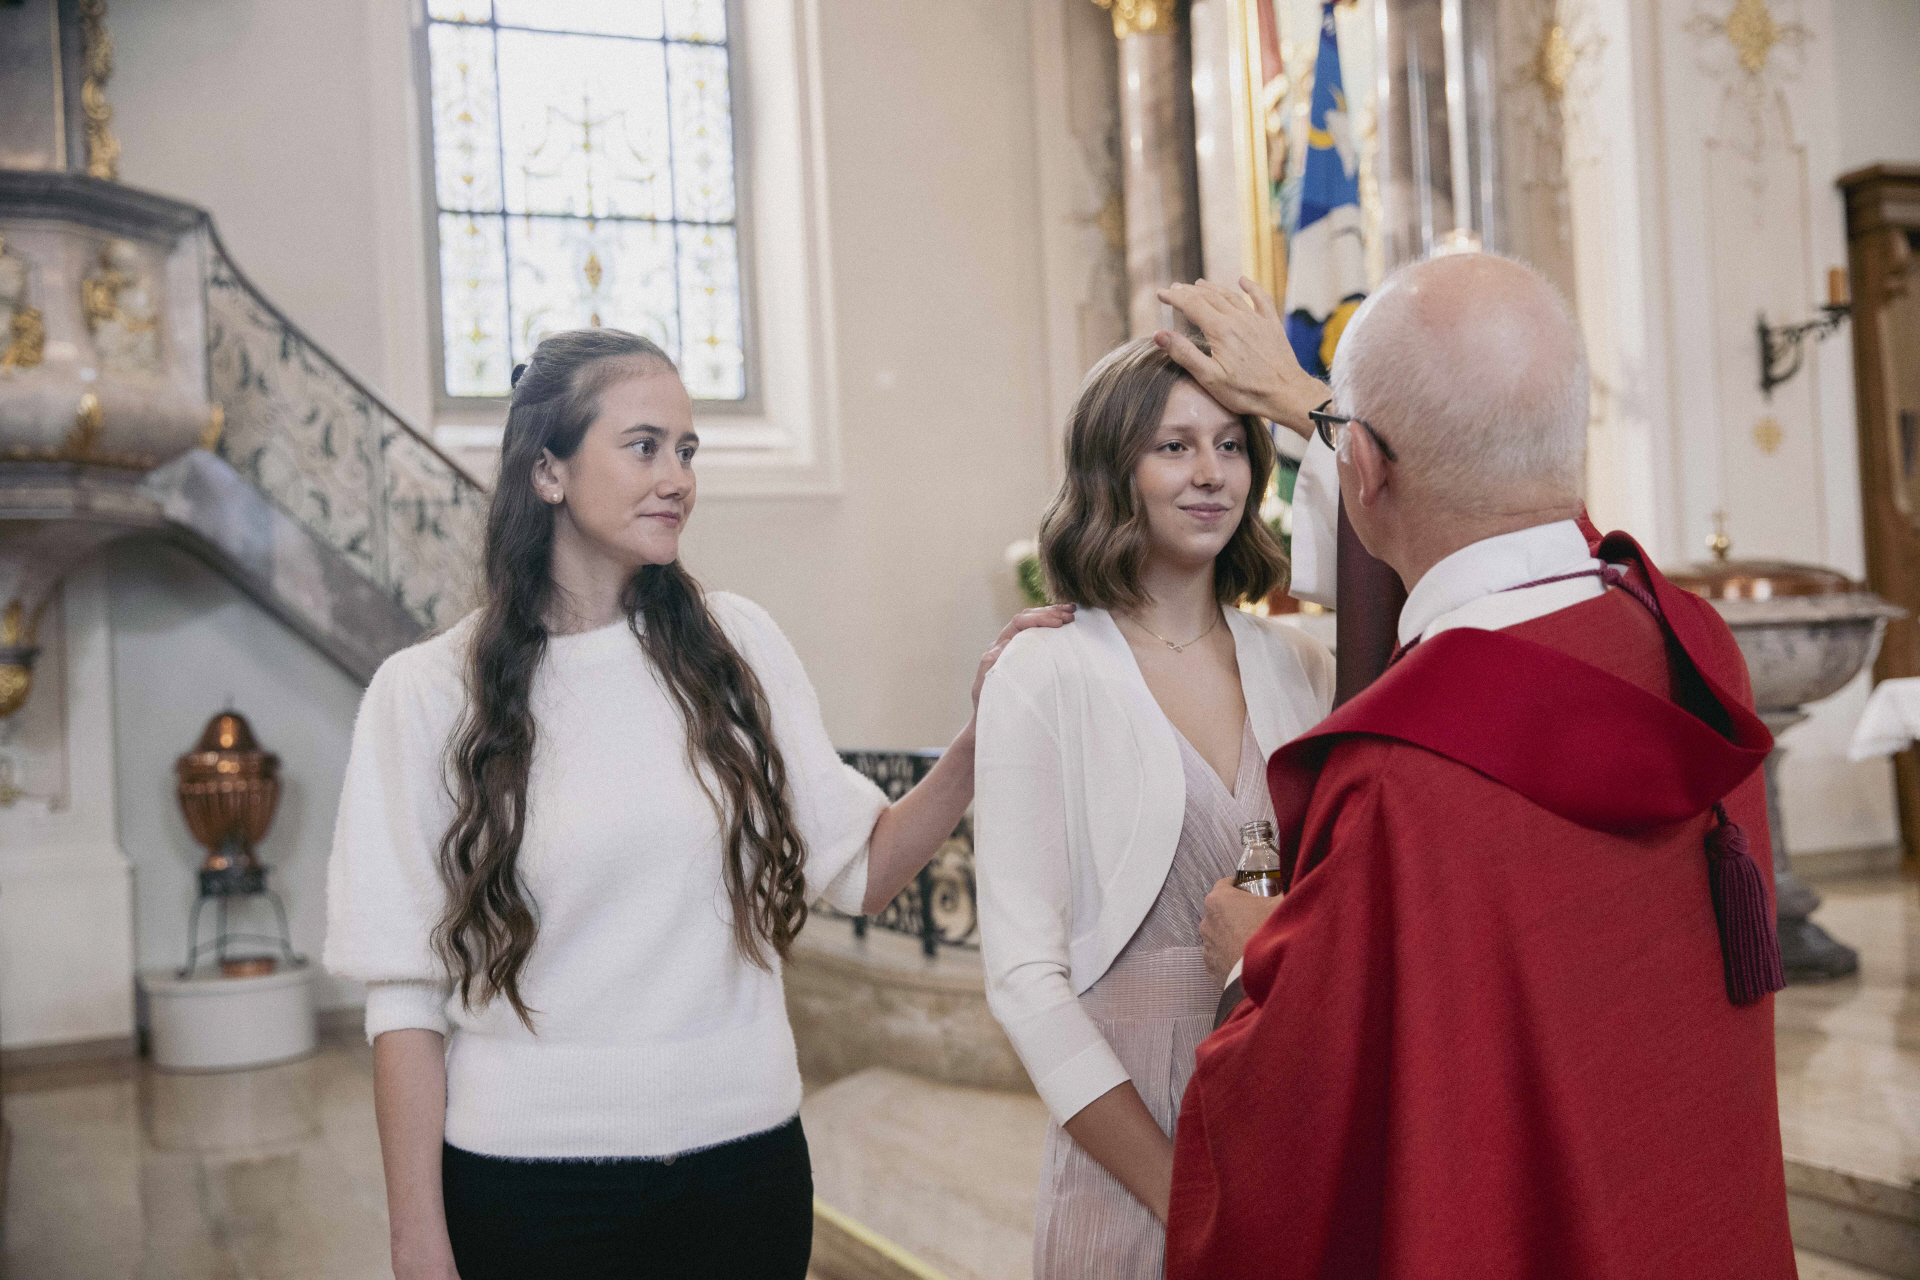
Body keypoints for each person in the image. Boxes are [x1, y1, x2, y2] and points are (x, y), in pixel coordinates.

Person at [322, 329, 1073, 1280]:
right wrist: (417, 1242)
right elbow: (404, 994)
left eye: (687, 450)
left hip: (743, 1169)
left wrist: (973, 745)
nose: (676, 478)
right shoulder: (427, 692)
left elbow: (866, 870)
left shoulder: (736, 647)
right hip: (528, 1188)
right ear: (547, 470)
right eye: (643, 447)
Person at [1154, 256, 1796, 1279]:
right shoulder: (1691, 650)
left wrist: (1254, 958)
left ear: (1364, 469)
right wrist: (1322, 411)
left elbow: (1305, 1122)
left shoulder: (1403, 777)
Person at [973, 336, 1334, 1278]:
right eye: (1174, 446)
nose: (1211, 473)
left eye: (1231, 445)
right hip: (1127, 1137)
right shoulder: (1045, 672)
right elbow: (1024, 978)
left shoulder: (1302, 664)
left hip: (1284, 1097)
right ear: (1113, 469)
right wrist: (1181, 1195)